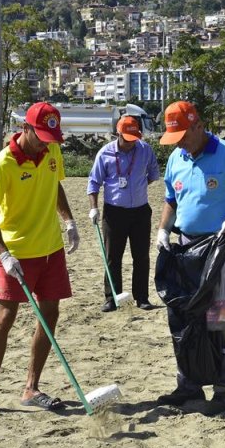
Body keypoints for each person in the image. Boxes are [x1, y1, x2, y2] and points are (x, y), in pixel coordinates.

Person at [155, 101, 225, 415]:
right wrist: (163, 230)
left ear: (198, 126)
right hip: (186, 247)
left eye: (183, 136)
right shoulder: (177, 157)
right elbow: (171, 200)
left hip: (223, 246)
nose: (179, 144)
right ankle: (188, 384)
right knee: (189, 317)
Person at [0, 102, 80, 419]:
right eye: (42, 135)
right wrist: (3, 254)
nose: (48, 142)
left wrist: (69, 221)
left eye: (52, 137)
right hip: (17, 252)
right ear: (26, 129)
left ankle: (31, 388)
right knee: (6, 317)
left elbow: (55, 186)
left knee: (50, 314)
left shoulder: (52, 152)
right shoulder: (4, 164)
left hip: (51, 249)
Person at [87, 115, 160, 312]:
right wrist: (93, 207)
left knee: (141, 256)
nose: (130, 143)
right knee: (113, 256)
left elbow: (153, 173)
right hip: (114, 213)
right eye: (127, 138)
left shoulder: (145, 150)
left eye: (134, 138)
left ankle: (142, 297)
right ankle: (112, 297)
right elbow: (94, 183)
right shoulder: (105, 154)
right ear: (118, 134)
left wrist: (138, 187)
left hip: (140, 211)